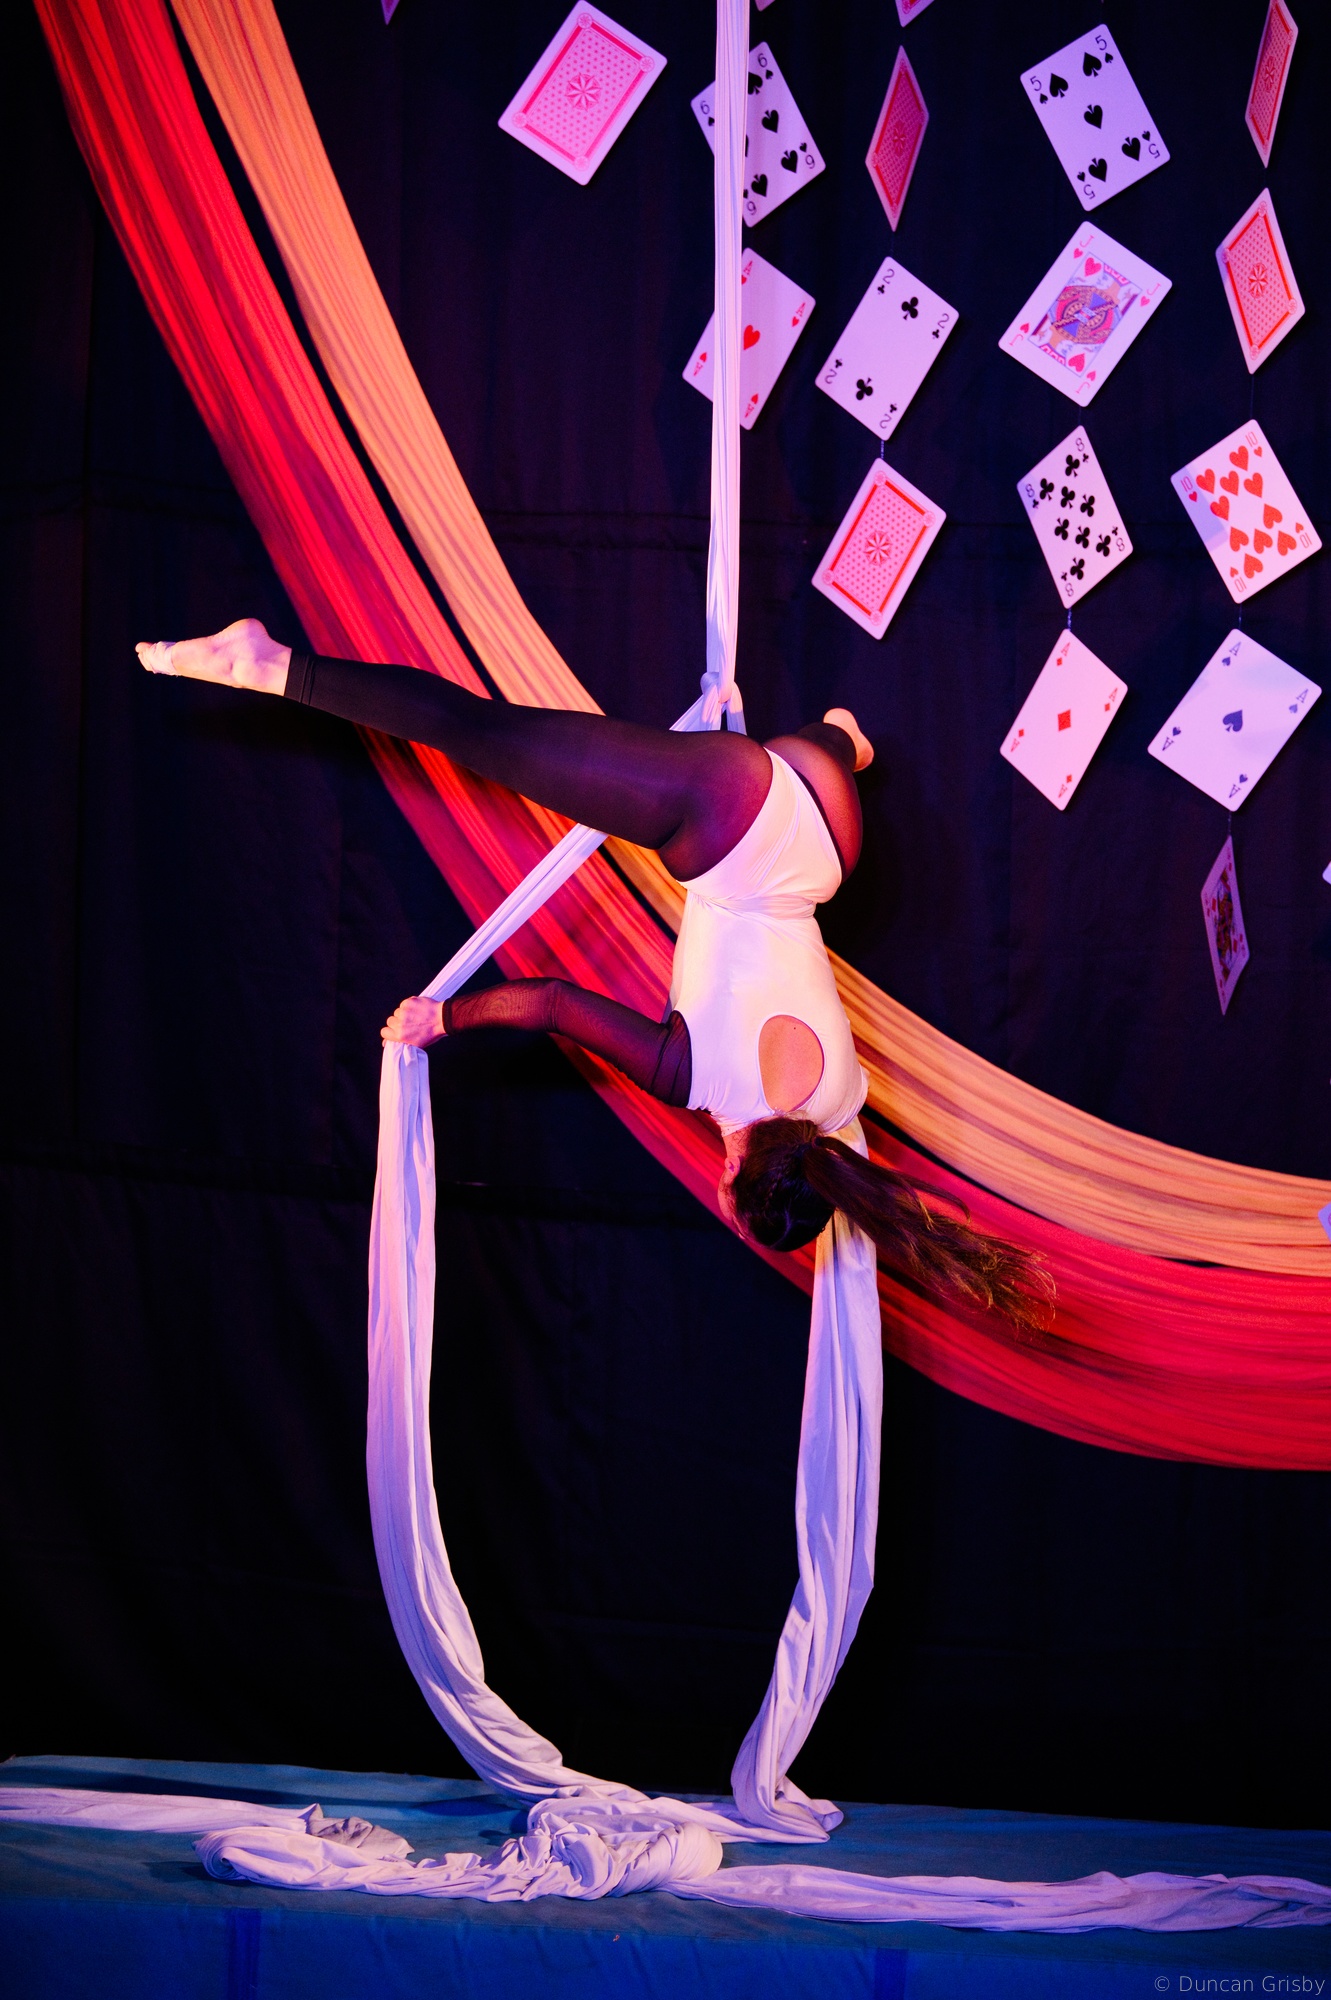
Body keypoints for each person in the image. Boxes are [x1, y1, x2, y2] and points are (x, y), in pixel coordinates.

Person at [139, 620, 1052, 1332]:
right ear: (732, 1183)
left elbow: (830, 1165)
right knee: (478, 733)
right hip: (731, 815)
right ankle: (270, 665)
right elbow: (550, 1003)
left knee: (817, 753)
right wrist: (441, 1022)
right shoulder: (693, 1080)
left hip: (828, 833)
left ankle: (842, 737)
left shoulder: (841, 1104)